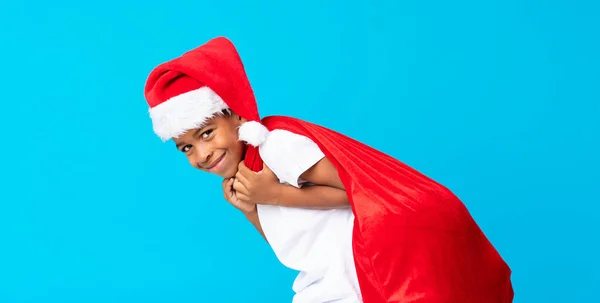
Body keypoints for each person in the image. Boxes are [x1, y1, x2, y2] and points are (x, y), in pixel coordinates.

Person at [143, 36, 514, 303]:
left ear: (236, 115)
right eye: (186, 147)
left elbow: (354, 191)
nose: (201, 153)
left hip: (361, 262)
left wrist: (272, 193)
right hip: (325, 275)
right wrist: (252, 209)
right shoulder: (246, 174)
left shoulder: (276, 144)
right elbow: (289, 243)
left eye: (207, 134)